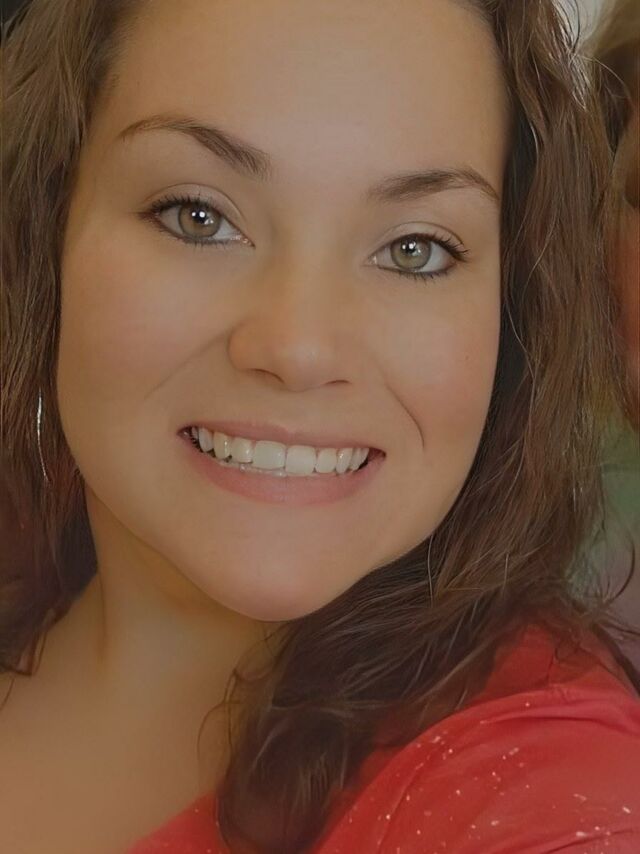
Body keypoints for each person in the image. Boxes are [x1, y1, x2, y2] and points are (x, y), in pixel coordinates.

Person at [0, 1, 639, 852]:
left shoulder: (544, 785)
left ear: (514, 316)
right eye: (199, 216)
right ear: (46, 231)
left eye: (414, 249)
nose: (299, 348)